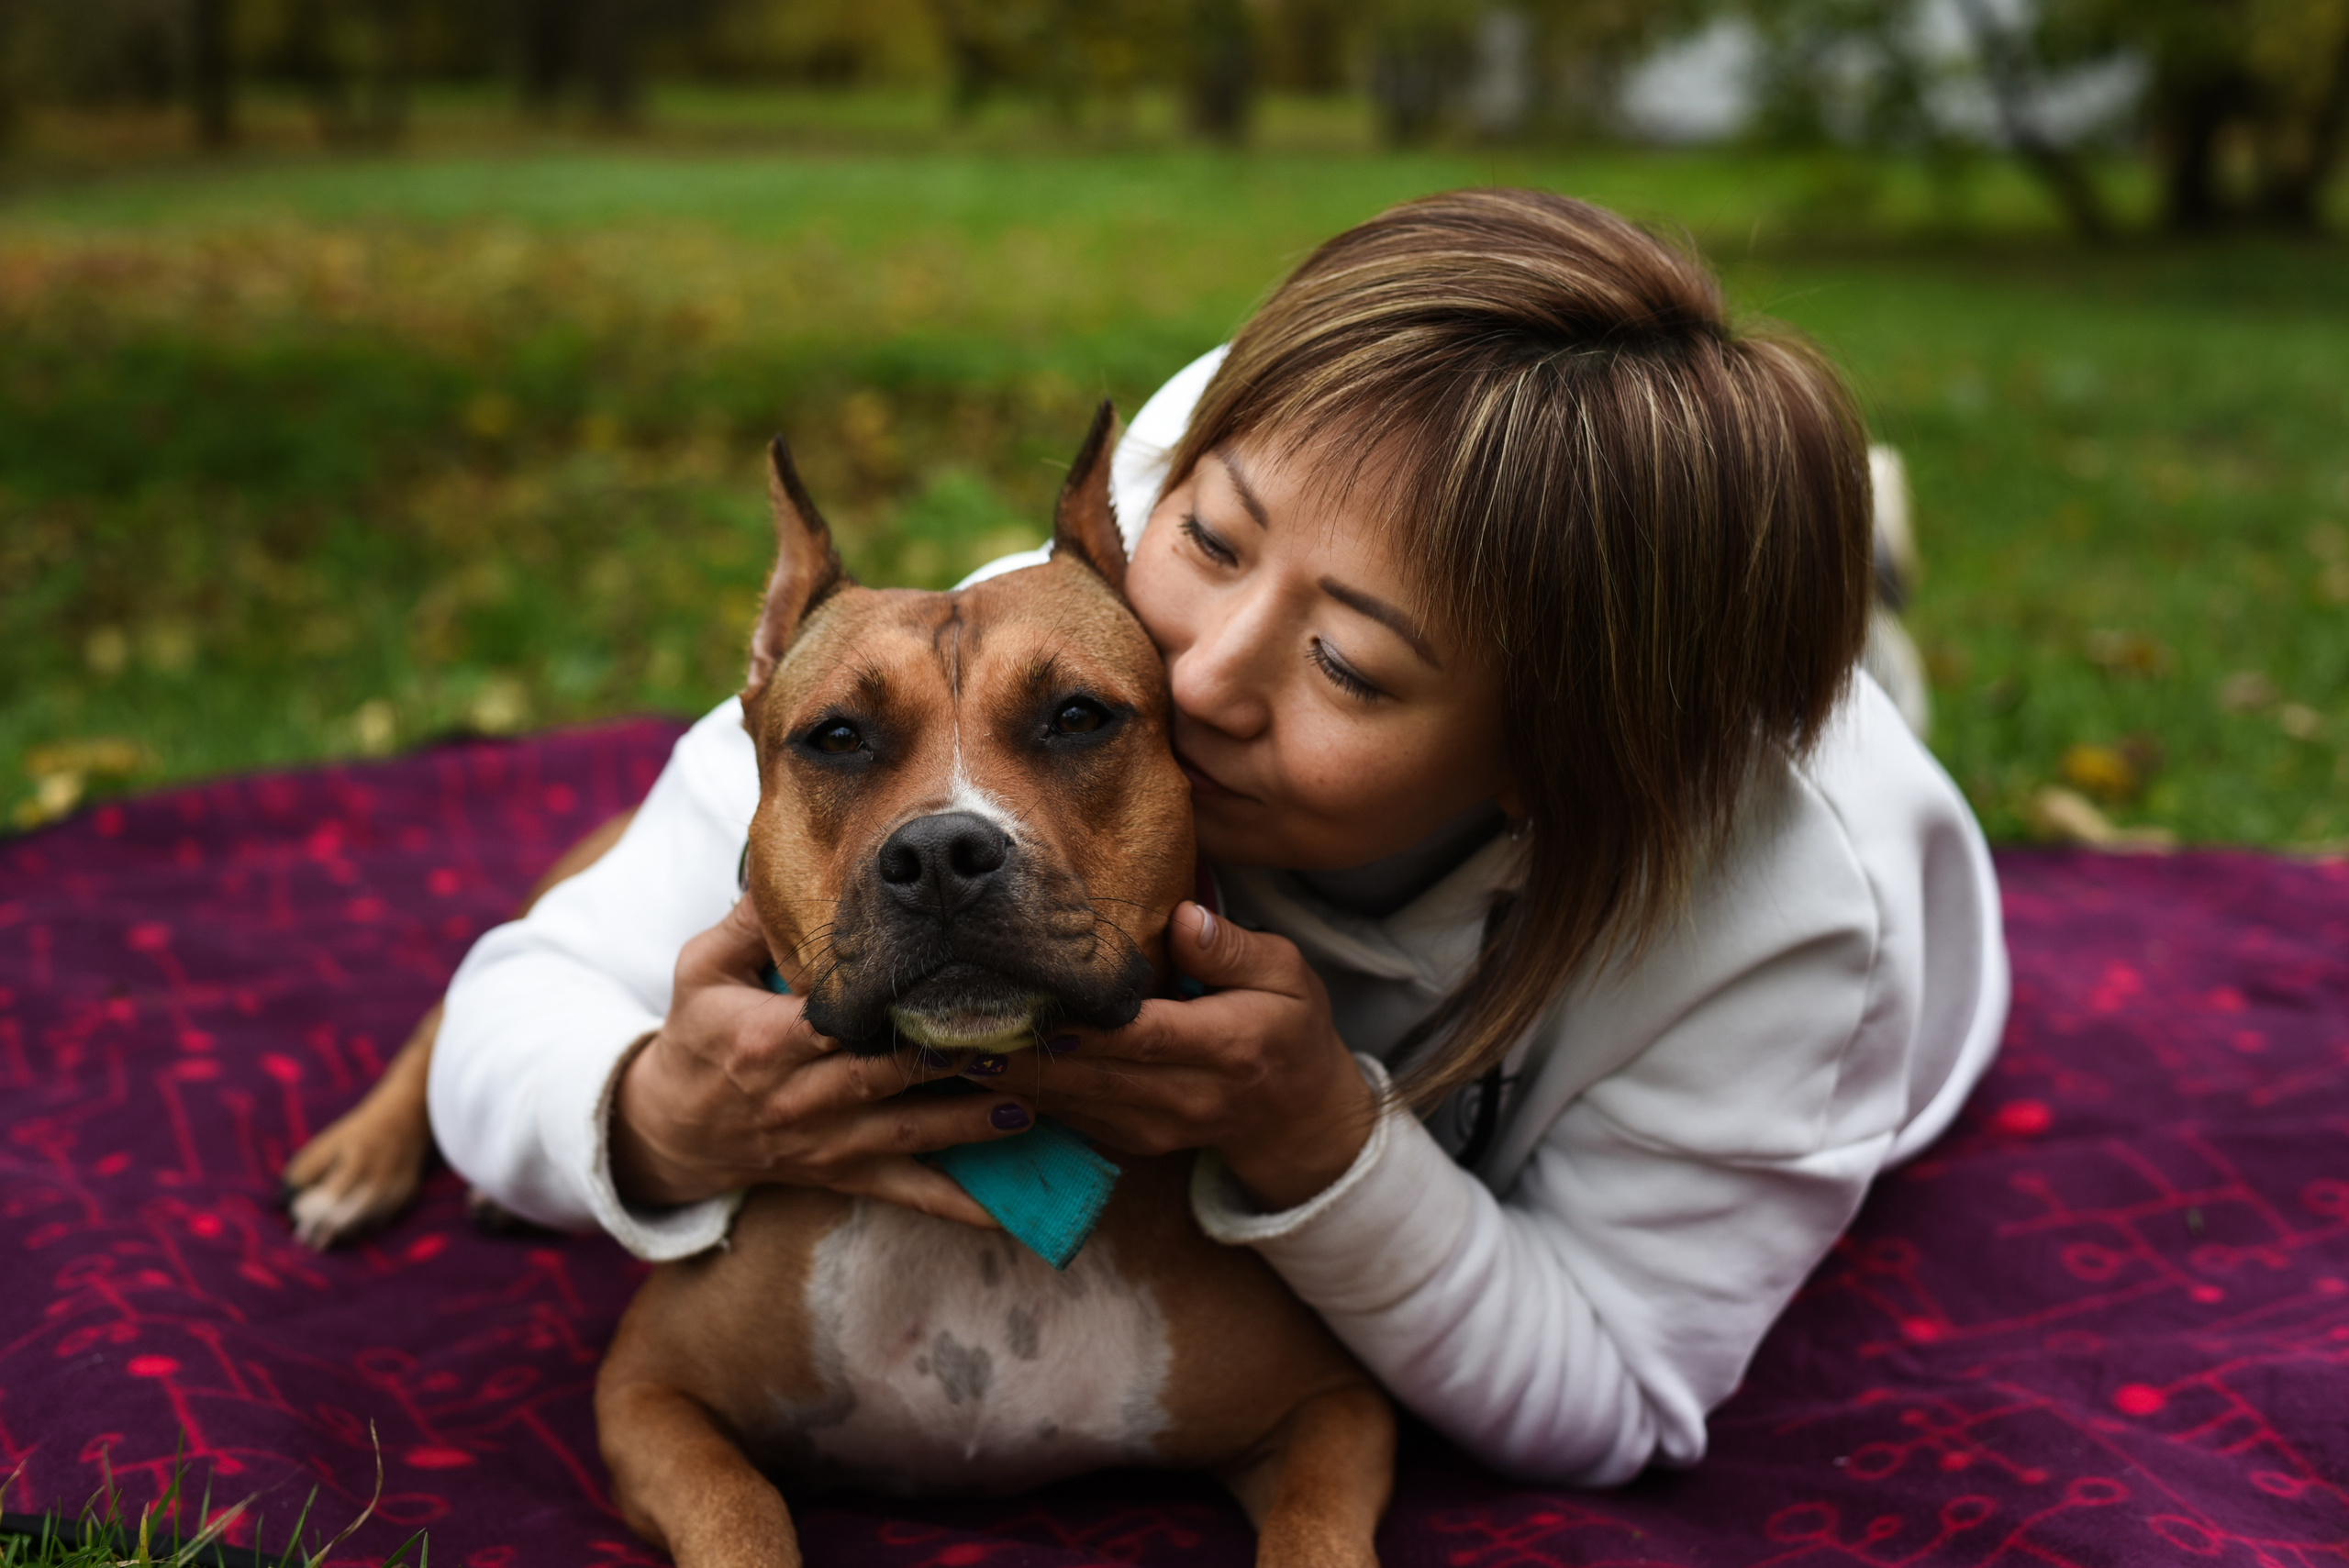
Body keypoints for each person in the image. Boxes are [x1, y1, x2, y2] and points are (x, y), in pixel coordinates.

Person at [428, 188, 2007, 1487]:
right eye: (1213, 536)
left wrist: (1328, 1136)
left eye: (1351, 664)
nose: (1198, 674)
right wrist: (660, 1116)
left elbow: (1613, 1389)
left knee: (1851, 692)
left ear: (1548, 760)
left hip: (1828, 908)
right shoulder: (1074, 619)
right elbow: (512, 1015)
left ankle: (1855, 610)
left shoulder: (1788, 929)